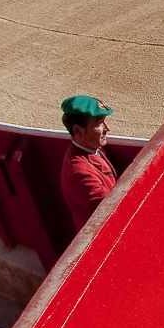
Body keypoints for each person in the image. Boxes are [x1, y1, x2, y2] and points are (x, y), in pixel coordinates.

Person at [59, 94, 117, 232]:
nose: (106, 129)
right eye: (99, 123)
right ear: (78, 131)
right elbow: (111, 210)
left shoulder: (90, 147)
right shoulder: (80, 173)